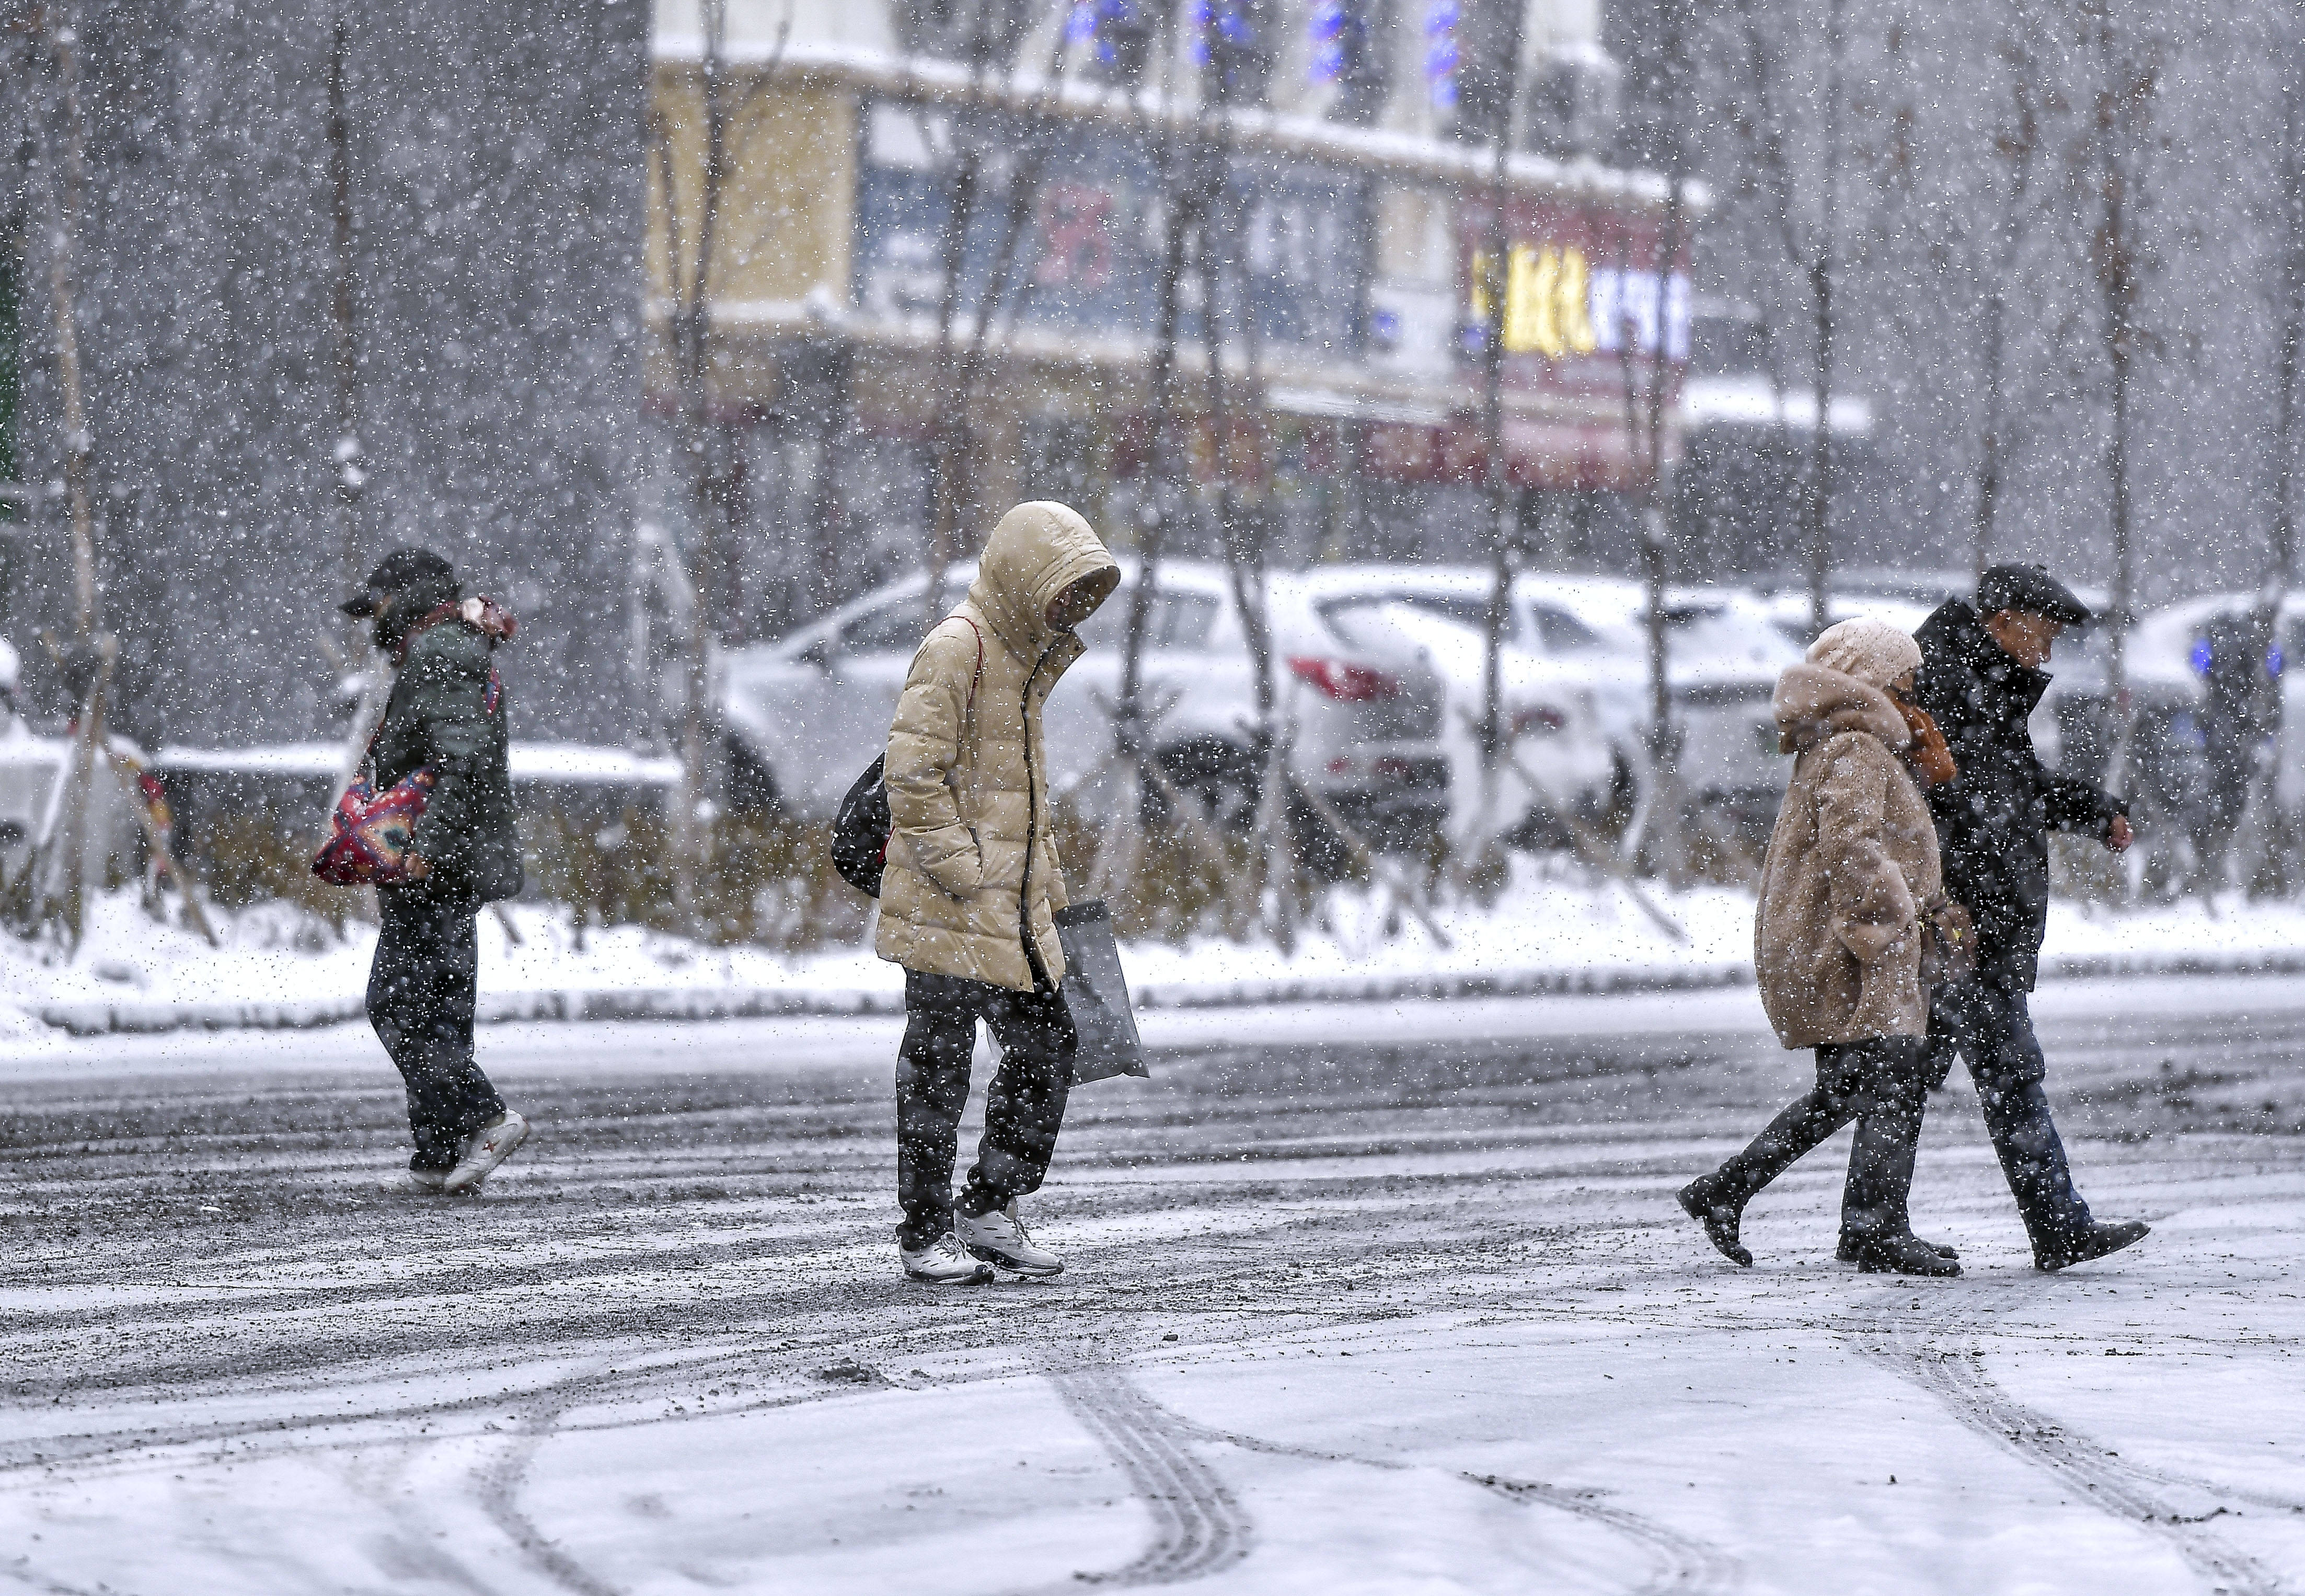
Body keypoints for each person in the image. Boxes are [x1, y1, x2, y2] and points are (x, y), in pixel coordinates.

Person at [876, 502, 1121, 1285]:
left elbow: (1023, 797)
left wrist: (1041, 885)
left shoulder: (1024, 662)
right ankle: (922, 1234)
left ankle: (988, 1206)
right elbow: (910, 775)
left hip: (1012, 912)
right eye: (1061, 587)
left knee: (1050, 1045)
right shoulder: (959, 648)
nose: (1069, 607)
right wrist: (962, 870)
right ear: (1022, 574)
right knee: (936, 1074)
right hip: (952, 908)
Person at [1679, 619, 1960, 1276]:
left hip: (1844, 941)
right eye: (1905, 677)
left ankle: (1735, 1193)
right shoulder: (1857, 748)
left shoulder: (1848, 743)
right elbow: (1853, 848)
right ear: (1875, 678)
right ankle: (1871, 1229)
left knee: (1857, 1088)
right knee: (1888, 1082)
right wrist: (1895, 921)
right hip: (1858, 946)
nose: (1915, 689)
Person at [1897, 563, 2150, 1271]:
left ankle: (1847, 1213)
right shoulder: (1951, 687)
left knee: (1899, 1079)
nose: (2047, 654)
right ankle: (2056, 1226)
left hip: (1969, 920)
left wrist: (2093, 810)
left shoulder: (1981, 685)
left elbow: (2014, 790)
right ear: (2004, 622)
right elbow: (1967, 807)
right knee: (2003, 1074)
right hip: (1961, 926)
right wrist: (1974, 902)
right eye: (2044, 637)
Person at [339, 548, 529, 1195]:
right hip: (451, 863)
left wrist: (428, 846)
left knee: (395, 1005)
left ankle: (484, 1117)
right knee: (438, 1010)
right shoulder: (453, 649)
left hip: (435, 865)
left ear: (409, 601)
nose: (374, 626)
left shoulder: (441, 655)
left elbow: (463, 762)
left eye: (380, 609)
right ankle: (440, 1153)